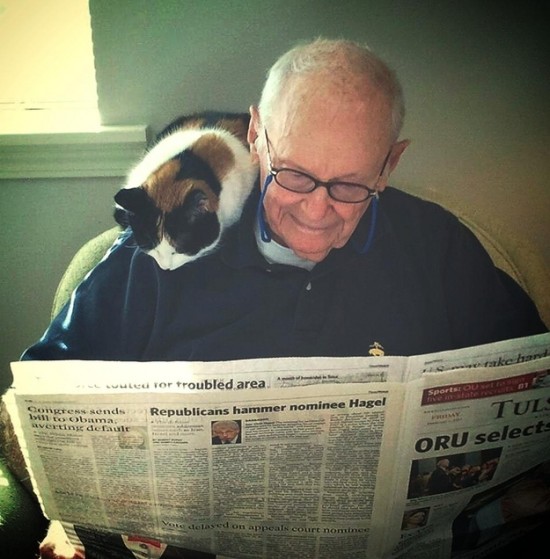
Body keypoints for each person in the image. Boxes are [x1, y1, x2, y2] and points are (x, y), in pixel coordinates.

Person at [13, 37, 548, 558]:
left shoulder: (438, 247)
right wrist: (71, 512)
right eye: (293, 175)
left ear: (389, 165)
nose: (315, 213)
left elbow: (530, 382)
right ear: (257, 136)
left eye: (349, 186)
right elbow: (44, 390)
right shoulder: (166, 238)